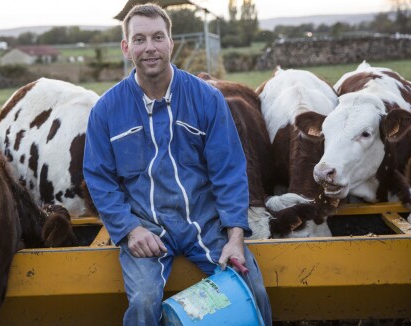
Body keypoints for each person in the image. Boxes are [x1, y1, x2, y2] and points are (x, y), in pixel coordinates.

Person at [83, 3, 272, 325]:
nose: (150, 47)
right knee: (143, 302)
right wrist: (129, 230)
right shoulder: (106, 109)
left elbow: (228, 170)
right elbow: (99, 179)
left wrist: (236, 237)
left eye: (158, 37)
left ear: (171, 42)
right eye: (140, 39)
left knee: (252, 288)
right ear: (126, 47)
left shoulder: (206, 98)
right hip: (148, 227)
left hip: (205, 222)